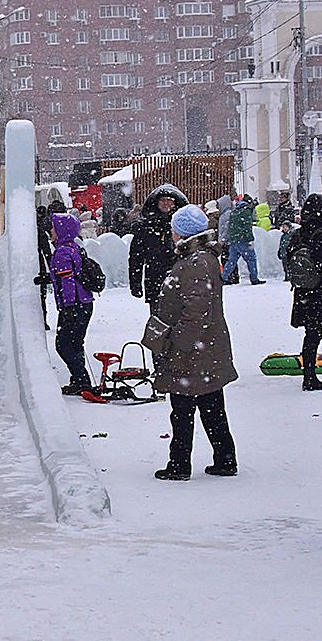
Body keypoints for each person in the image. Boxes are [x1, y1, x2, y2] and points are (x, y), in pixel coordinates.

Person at [144, 204, 239, 480]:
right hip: (206, 348)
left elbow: (195, 311)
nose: (171, 234)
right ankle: (224, 459)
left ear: (184, 233)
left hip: (193, 352)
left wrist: (176, 343)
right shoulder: (201, 259)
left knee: (183, 410)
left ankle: (179, 464)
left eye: (174, 229)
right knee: (211, 405)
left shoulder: (195, 263)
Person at [284, 194, 322, 391]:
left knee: (311, 335)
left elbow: (288, 261)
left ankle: (309, 376)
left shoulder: (298, 234)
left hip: (306, 294)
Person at [47, 213, 96, 395]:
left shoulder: (62, 252)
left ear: (61, 230)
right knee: (75, 343)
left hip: (74, 304)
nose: (51, 231)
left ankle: (83, 382)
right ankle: (78, 380)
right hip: (85, 302)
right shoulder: (73, 247)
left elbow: (67, 280)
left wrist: (67, 307)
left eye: (54, 228)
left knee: (63, 344)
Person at [128, 184, 186, 307]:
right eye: (163, 200)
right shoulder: (145, 227)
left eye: (169, 200)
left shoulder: (183, 225)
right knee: (157, 319)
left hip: (180, 279)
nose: (166, 204)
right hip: (155, 280)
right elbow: (136, 258)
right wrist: (135, 284)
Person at [222, 195, 265, 285]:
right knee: (251, 259)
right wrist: (250, 240)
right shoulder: (246, 212)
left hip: (234, 241)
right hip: (243, 241)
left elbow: (231, 227)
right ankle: (254, 279)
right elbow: (247, 228)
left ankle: (223, 278)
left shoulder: (234, 212)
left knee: (231, 261)